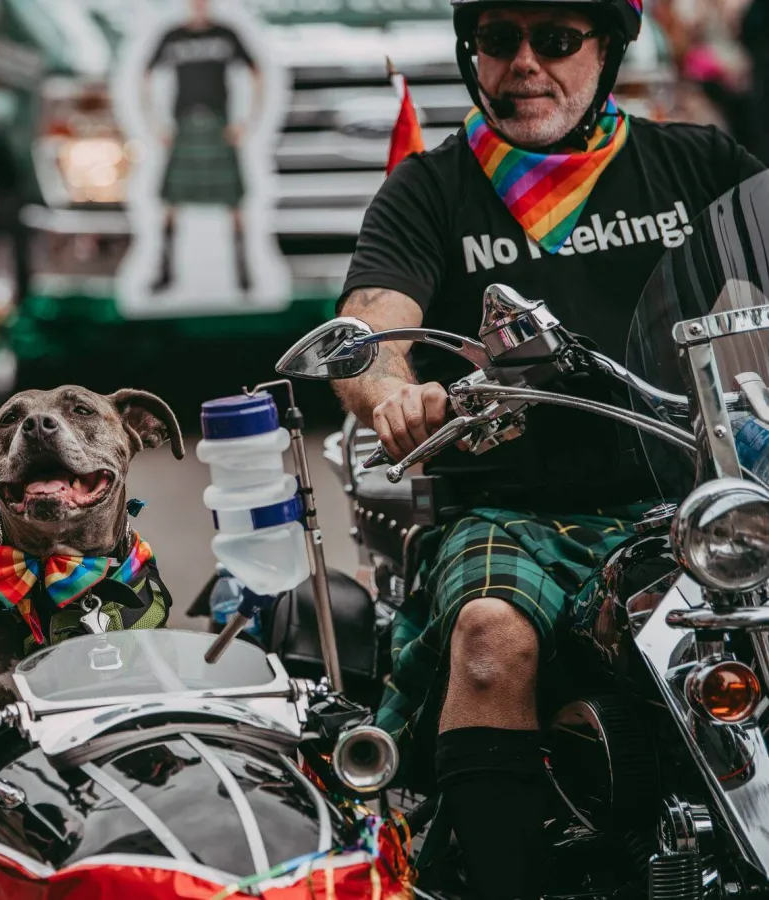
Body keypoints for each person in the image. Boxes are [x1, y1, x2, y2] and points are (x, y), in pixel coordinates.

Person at [332, 0, 765, 896]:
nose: (525, 64)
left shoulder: (697, 164)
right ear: (471, 52)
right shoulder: (431, 189)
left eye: (557, 40)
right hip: (513, 510)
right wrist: (392, 392)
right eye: (499, 40)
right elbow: (370, 328)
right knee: (492, 638)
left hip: (698, 503)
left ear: (606, 49)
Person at [143, 0, 263, 295]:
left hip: (218, 123)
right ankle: (165, 271)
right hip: (184, 123)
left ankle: (243, 272)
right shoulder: (173, 36)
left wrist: (248, 121)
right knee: (171, 200)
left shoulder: (226, 34)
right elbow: (144, 75)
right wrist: (154, 123)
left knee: (234, 201)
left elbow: (256, 72)